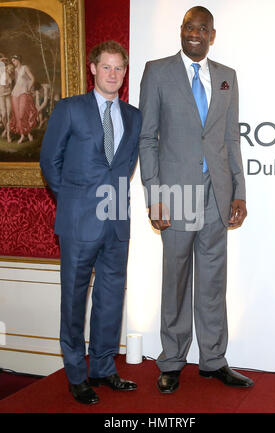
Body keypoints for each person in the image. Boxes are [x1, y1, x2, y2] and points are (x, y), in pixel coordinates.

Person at [139, 6, 254, 393]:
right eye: (190, 26)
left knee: (212, 281)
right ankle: (171, 360)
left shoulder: (227, 78)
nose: (196, 33)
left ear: (212, 35)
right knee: (175, 280)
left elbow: (231, 139)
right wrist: (154, 195)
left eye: (203, 29)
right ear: (182, 29)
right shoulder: (157, 71)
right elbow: (148, 138)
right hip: (174, 194)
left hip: (216, 194)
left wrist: (239, 191)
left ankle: (213, 360)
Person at [40, 41, 142, 405]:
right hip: (79, 221)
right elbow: (50, 162)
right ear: (93, 69)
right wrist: (75, 199)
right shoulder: (70, 109)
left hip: (116, 220)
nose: (113, 74)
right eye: (107, 67)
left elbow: (124, 165)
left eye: (119, 69)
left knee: (111, 299)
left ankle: (103, 368)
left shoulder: (134, 115)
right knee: (73, 300)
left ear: (124, 73)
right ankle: (76, 374)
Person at [10, 55, 37, 144]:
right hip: (15, 94)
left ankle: (28, 133)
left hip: (23, 93)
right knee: (17, 116)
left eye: (14, 60)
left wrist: (29, 89)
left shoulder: (25, 68)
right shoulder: (14, 70)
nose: (13, 62)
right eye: (12, 61)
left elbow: (32, 79)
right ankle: (22, 135)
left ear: (18, 60)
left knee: (22, 115)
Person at [0, 53, 14, 143]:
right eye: (2, 61)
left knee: (9, 114)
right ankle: (6, 129)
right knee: (4, 115)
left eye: (4, 61)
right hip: (1, 95)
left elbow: (11, 82)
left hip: (8, 94)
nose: (3, 62)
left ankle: (8, 134)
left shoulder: (9, 69)